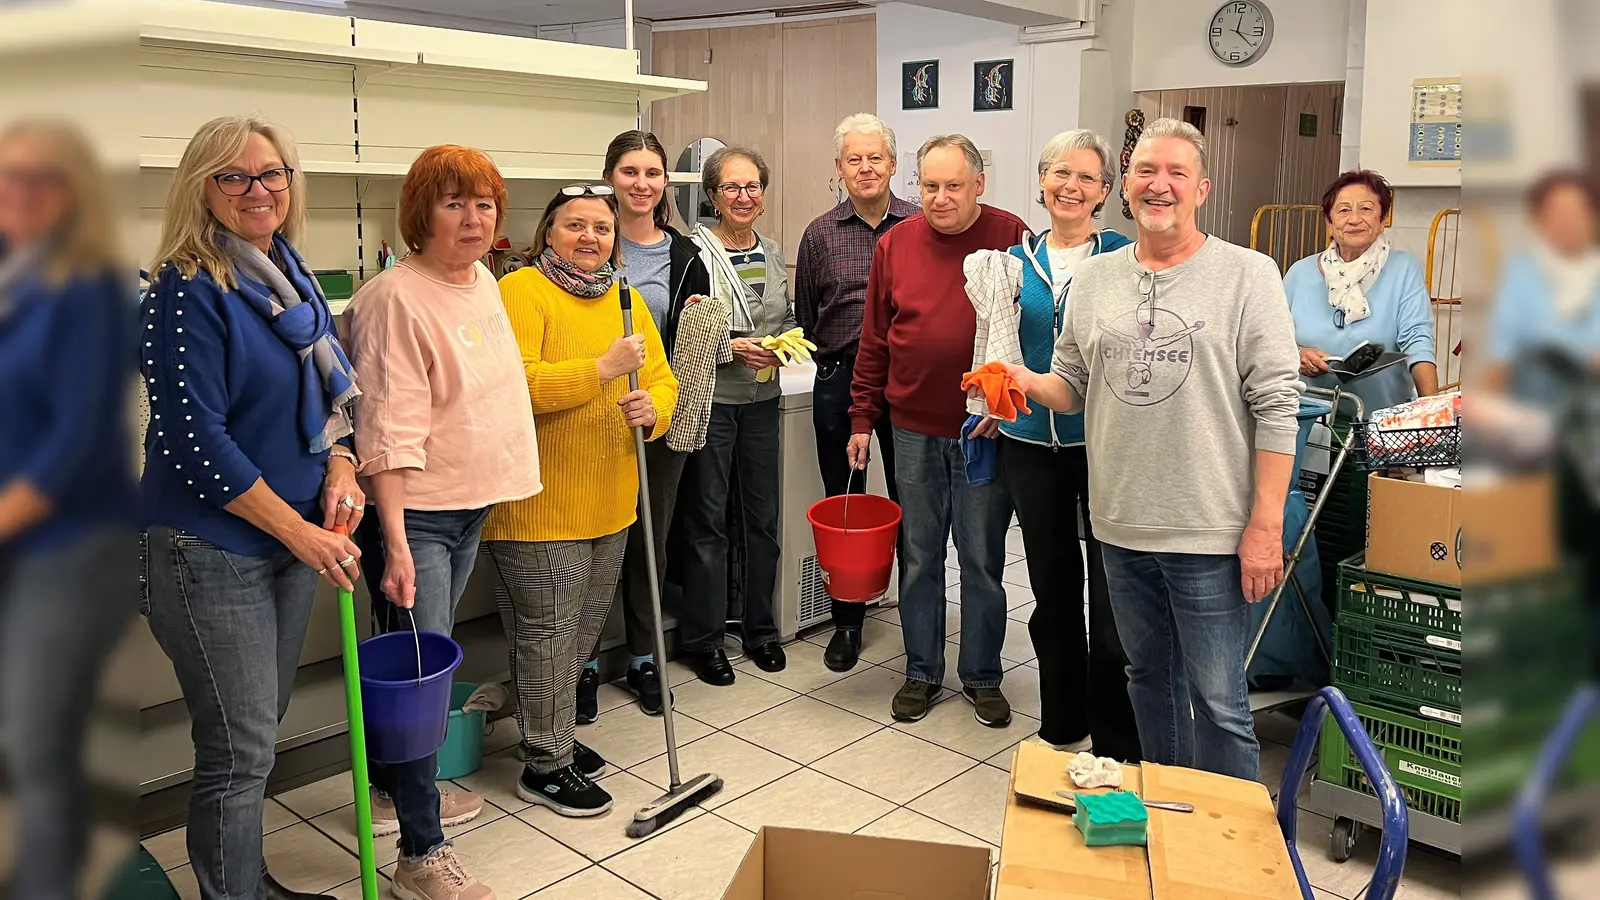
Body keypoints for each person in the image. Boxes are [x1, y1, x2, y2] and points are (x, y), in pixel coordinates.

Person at [1008, 118, 1302, 780]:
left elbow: (1278, 407)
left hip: (1210, 531)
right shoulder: (1096, 278)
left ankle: (1225, 854)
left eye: (1175, 173)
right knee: (1148, 680)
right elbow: (1073, 387)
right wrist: (1021, 379)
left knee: (1220, 701)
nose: (1158, 185)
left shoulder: (1248, 275)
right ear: (1127, 188)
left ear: (1202, 187)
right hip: (1119, 526)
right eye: (1145, 171)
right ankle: (1170, 819)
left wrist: (1265, 525)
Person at [140, 115, 365, 900]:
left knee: (256, 736)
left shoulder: (288, 272)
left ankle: (244, 884)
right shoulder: (184, 291)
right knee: (239, 750)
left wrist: (341, 465)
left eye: (272, 173)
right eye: (232, 177)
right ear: (200, 188)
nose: (257, 190)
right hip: (211, 548)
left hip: (289, 539)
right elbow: (199, 446)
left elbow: (325, 403)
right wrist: (300, 528)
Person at [343, 144, 542, 900]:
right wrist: (392, 543)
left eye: (485, 202)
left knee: (416, 665)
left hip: (466, 507)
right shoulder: (395, 298)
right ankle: (421, 857)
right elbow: (385, 430)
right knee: (418, 680)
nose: (474, 217)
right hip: (415, 518)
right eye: (454, 202)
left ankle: (396, 793)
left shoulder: (484, 280)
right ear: (419, 213)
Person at [487, 184, 678, 817]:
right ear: (549, 233)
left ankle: (551, 735)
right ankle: (546, 764)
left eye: (601, 227)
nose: (590, 237)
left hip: (611, 503)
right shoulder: (521, 292)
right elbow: (514, 385)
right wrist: (600, 370)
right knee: (546, 635)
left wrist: (654, 407)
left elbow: (659, 376)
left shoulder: (625, 299)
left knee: (579, 635)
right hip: (539, 509)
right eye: (575, 226)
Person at [963, 129, 1140, 761]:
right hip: (1029, 444)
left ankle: (1117, 734)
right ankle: (1063, 718)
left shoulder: (1126, 258)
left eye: (1087, 178)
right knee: (1054, 588)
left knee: (1114, 591)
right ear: (1042, 182)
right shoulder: (1010, 262)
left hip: (1106, 445)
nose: (1072, 187)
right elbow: (997, 345)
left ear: (1105, 192)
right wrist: (987, 405)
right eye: (1060, 173)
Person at [0, 119, 135, 900]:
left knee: (38, 742)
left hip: (70, 549)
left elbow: (72, 445)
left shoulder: (90, 290)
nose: (19, 194)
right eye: (8, 176)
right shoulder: (17, 273)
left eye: (41, 178)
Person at [849, 134, 1025, 725]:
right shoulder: (896, 245)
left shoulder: (1012, 235)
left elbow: (1034, 331)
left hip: (982, 429)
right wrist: (861, 417)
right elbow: (873, 339)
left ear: (979, 184)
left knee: (981, 558)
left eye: (953, 186)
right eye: (929, 186)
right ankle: (921, 670)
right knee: (920, 557)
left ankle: (981, 674)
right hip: (913, 429)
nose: (941, 198)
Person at [574, 130, 712, 720]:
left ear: (665, 182)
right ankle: (575, 664)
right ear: (610, 177)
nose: (642, 184)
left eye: (652, 173)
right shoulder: (587, 245)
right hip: (585, 425)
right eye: (629, 171)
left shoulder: (684, 256)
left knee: (647, 545)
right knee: (585, 544)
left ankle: (643, 657)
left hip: (655, 420)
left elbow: (697, 344)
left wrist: (669, 408)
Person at [794, 114, 920, 673]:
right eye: (854, 159)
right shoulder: (820, 235)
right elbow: (805, 315)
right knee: (845, 503)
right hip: (840, 378)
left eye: (876, 158)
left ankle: (920, 620)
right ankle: (847, 622)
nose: (865, 168)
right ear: (839, 168)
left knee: (912, 500)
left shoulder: (919, 225)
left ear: (893, 165)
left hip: (910, 382)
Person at [677, 147, 794, 686]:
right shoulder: (694, 254)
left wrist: (784, 348)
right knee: (708, 521)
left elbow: (786, 316)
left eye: (752, 187)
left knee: (762, 520)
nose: (743, 197)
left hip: (763, 402)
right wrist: (730, 347)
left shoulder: (771, 251)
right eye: (731, 188)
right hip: (713, 404)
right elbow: (684, 330)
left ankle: (761, 629)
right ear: (712, 196)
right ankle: (703, 640)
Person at [1284, 169, 1438, 399]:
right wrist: (1298, 354)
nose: (1355, 219)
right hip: (1308, 413)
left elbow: (1418, 339)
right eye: (1344, 210)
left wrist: (1432, 408)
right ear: (1329, 222)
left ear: (1382, 219)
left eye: (1366, 209)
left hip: (1381, 419)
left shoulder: (1403, 268)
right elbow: (1271, 340)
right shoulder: (1299, 272)